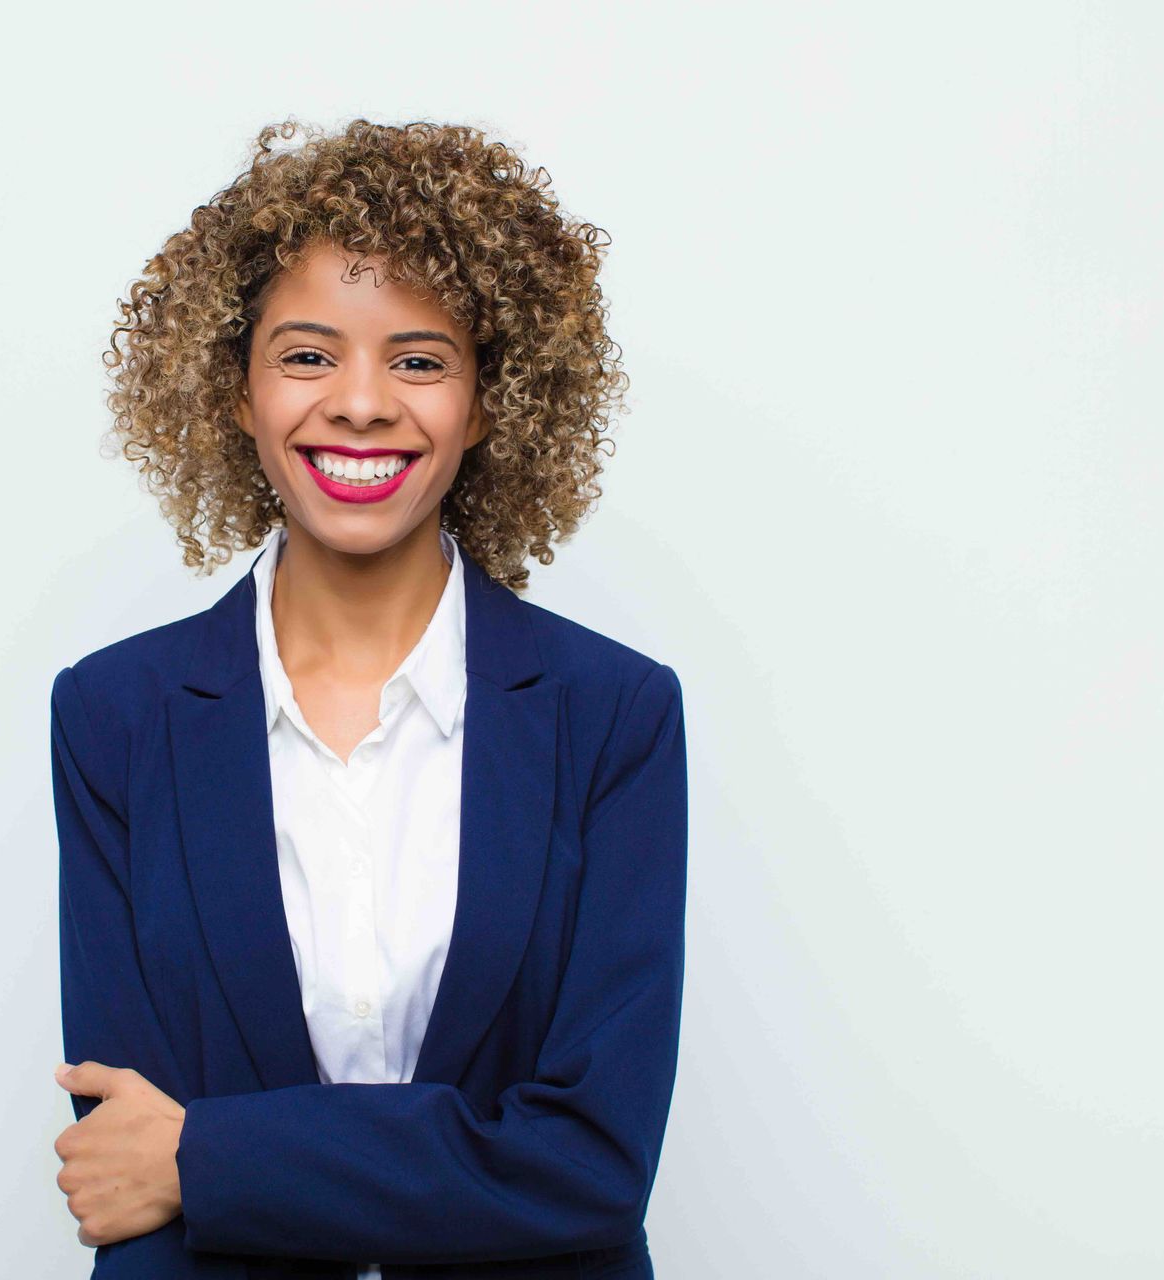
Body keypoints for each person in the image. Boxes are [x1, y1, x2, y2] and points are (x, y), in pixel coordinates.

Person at [48, 118, 688, 1280]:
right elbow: (123, 1164)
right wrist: (182, 1158)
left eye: (419, 358)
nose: (358, 403)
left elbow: (593, 1161)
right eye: (305, 355)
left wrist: (212, 1156)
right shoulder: (115, 715)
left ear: (491, 399)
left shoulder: (613, 714)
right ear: (234, 390)